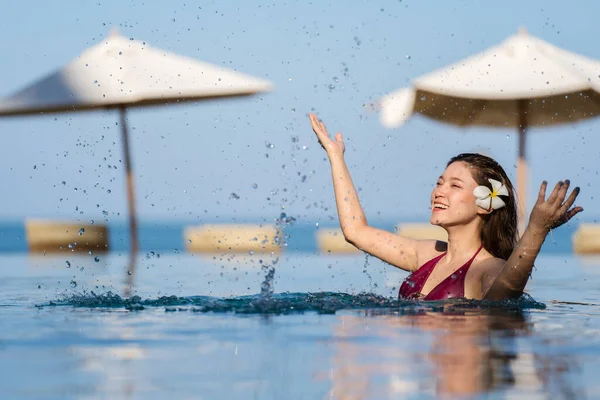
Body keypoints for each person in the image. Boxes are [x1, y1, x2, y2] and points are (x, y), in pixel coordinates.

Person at [309, 113, 583, 301]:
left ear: (485, 206)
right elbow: (356, 231)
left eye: (454, 185)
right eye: (439, 182)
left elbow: (506, 292)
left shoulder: (488, 269)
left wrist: (537, 229)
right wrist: (336, 157)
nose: (439, 191)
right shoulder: (426, 253)